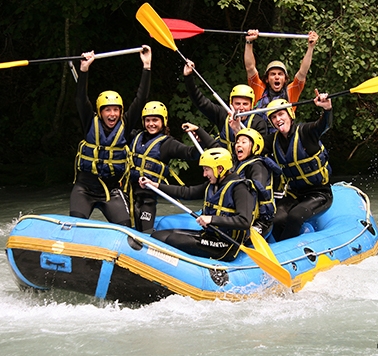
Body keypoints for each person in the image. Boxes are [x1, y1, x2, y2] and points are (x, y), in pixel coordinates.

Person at [70, 46, 152, 225]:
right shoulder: (90, 122)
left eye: (116, 109)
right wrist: (84, 70)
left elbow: (141, 99)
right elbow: (80, 98)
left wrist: (146, 66)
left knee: (125, 226)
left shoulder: (126, 124)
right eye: (108, 110)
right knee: (76, 225)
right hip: (84, 189)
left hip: (112, 190)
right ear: (100, 112)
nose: (112, 114)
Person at [139, 148, 257, 261]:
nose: (204, 174)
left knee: (173, 239)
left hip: (227, 245)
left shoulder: (240, 188)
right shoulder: (213, 185)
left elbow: (244, 221)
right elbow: (187, 192)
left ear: (219, 169)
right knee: (158, 236)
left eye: (207, 169)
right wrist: (155, 185)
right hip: (209, 236)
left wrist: (211, 219)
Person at [183, 124, 281, 239]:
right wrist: (198, 130)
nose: (239, 144)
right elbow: (216, 148)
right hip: (237, 215)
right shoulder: (234, 162)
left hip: (258, 220)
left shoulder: (258, 166)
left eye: (244, 142)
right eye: (237, 142)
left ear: (255, 147)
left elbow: (256, 191)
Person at [263, 92, 333, 242]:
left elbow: (324, 125)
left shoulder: (306, 132)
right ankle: (282, 249)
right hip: (294, 194)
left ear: (290, 115)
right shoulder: (272, 141)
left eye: (281, 114)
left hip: (320, 194)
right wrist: (236, 127)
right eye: (273, 117)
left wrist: (327, 109)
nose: (278, 119)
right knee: (275, 219)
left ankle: (285, 251)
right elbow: (251, 144)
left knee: (295, 216)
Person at [128, 101, 201, 233]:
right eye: (148, 120)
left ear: (163, 121)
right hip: (128, 192)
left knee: (145, 231)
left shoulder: (168, 144)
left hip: (148, 197)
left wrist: (198, 140)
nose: (151, 124)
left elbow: (191, 154)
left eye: (155, 120)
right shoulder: (135, 136)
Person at [183, 60, 267, 153]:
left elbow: (258, 152)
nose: (241, 108)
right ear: (231, 104)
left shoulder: (259, 123)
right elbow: (200, 102)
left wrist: (237, 130)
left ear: (251, 106)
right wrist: (188, 77)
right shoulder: (222, 114)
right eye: (237, 104)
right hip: (223, 162)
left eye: (245, 104)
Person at [244, 30, 319, 110]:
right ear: (267, 79)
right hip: (261, 122)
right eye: (273, 74)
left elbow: (302, 72)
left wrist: (311, 47)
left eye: (280, 74)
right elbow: (250, 68)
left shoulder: (291, 91)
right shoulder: (259, 89)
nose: (277, 77)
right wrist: (249, 41)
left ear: (285, 79)